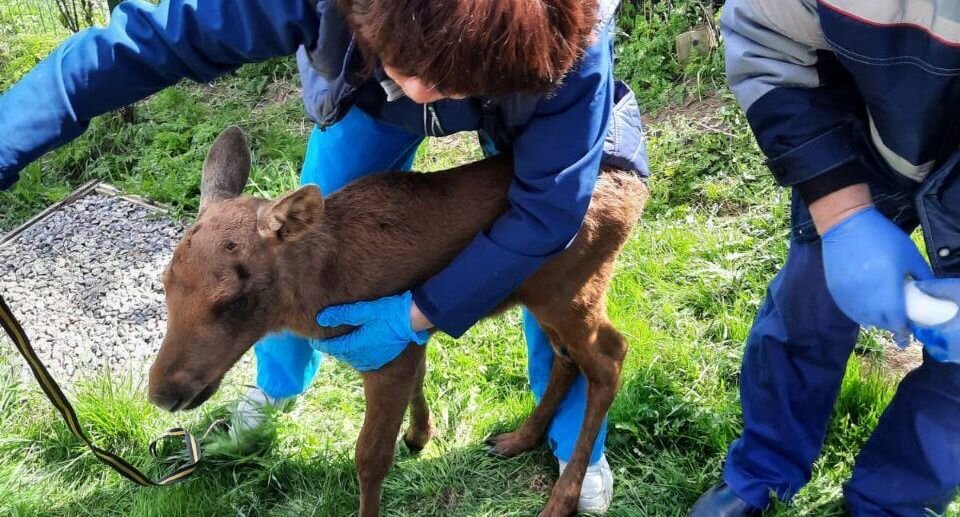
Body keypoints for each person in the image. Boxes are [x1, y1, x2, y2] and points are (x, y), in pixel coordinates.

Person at [0, 0, 650, 512]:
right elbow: (147, 38)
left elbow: (549, 207)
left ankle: (571, 436)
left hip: (513, 92)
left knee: (543, 266)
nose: (425, 92)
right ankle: (276, 384)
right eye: (416, 64)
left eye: (442, 76)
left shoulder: (570, 43)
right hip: (366, 84)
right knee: (295, 253)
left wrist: (419, 313)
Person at [691, 1, 960, 515]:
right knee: (806, 305)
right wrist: (842, 214)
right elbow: (765, 35)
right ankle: (763, 469)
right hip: (863, 139)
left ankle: (892, 503)